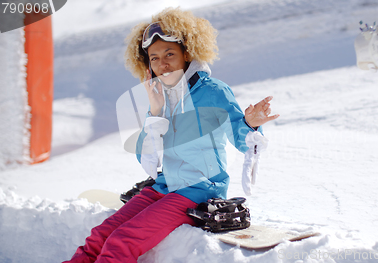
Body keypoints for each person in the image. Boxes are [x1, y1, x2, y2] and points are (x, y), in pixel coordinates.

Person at [64, 7, 278, 263]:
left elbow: (242, 140)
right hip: (165, 185)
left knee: (123, 240)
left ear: (187, 53)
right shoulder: (160, 96)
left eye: (169, 54)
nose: (161, 64)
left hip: (200, 188)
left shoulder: (213, 91)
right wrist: (155, 113)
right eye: (154, 58)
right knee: (99, 236)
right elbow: (147, 158)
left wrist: (251, 125)